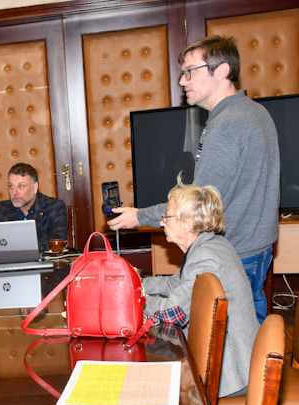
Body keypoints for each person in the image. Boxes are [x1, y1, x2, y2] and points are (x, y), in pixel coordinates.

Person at [109, 36, 280, 323]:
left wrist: (140, 216)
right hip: (256, 246)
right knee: (250, 330)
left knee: (226, 339)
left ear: (222, 70)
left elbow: (197, 205)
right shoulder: (255, 111)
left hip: (234, 251)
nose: (182, 81)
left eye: (190, 71)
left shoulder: (226, 125)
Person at [143, 183, 257, 400]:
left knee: (153, 388)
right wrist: (134, 284)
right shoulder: (211, 245)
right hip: (227, 360)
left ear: (187, 224)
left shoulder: (206, 257)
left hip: (230, 373)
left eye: (167, 216)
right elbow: (171, 284)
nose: (162, 222)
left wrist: (135, 299)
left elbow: (172, 313)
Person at [0, 163, 67, 252]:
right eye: (11, 186)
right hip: (11, 260)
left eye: (21, 186)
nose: (14, 192)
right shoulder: (3, 208)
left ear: (35, 187)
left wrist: (17, 245)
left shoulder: (54, 207)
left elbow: (58, 242)